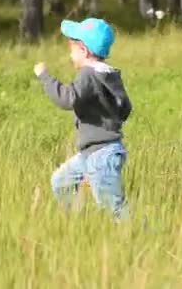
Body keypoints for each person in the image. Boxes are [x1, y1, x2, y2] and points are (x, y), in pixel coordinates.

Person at [33, 18, 132, 220]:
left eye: (72, 49)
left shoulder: (88, 74)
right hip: (97, 151)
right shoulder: (109, 74)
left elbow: (68, 98)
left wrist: (45, 77)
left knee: (114, 209)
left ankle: (139, 235)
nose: (70, 54)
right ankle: (78, 224)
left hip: (100, 156)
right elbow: (125, 107)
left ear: (84, 51)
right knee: (61, 182)